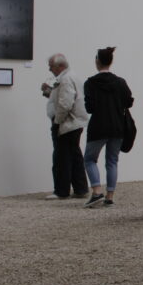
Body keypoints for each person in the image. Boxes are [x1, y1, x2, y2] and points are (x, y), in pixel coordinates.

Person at [82, 46, 134, 208]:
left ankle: (97, 191)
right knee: (112, 161)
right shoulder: (120, 82)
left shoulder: (90, 83)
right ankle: (110, 196)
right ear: (111, 61)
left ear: (97, 62)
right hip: (117, 126)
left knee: (90, 159)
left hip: (98, 126)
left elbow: (89, 108)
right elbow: (129, 101)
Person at [42, 53, 89, 200]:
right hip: (74, 123)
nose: (50, 69)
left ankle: (61, 190)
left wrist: (58, 121)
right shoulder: (70, 76)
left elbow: (65, 104)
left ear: (60, 66)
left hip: (67, 123)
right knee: (74, 156)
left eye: (51, 66)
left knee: (61, 157)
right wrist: (48, 92)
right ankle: (81, 188)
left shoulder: (66, 79)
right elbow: (61, 97)